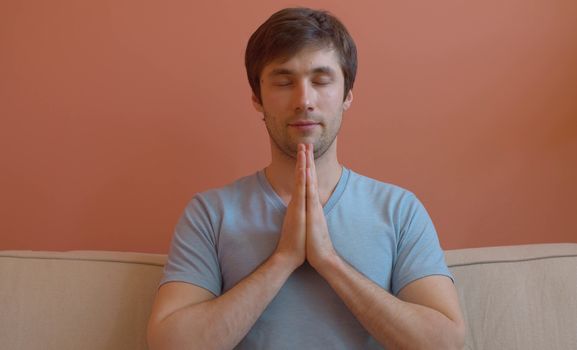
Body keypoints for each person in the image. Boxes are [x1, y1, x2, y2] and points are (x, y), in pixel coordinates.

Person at [147, 7, 465, 350]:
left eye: (321, 80)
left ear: (347, 95)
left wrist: (328, 260)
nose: (304, 100)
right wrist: (283, 260)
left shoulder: (399, 210)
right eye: (284, 82)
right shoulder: (210, 212)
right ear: (257, 98)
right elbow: (169, 344)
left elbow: (445, 342)